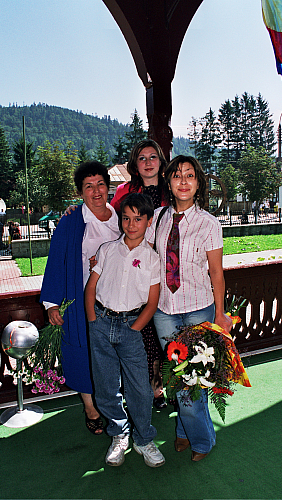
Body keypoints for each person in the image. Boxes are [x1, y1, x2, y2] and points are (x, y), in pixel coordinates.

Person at [146, 155, 232, 462]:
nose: (183, 181)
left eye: (190, 176)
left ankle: (202, 440)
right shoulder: (155, 218)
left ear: (198, 184)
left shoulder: (209, 224)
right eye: (177, 176)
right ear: (168, 182)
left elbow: (217, 273)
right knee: (176, 376)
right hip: (164, 311)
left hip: (198, 309)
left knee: (192, 378)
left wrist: (220, 314)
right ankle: (184, 432)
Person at [85, 193, 165, 468]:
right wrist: (93, 320)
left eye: (138, 219)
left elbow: (152, 301)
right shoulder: (107, 250)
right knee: (106, 386)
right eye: (126, 218)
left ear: (148, 221)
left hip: (131, 329)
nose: (131, 224)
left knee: (140, 388)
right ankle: (119, 434)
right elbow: (91, 287)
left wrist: (135, 328)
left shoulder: (153, 259)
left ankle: (144, 438)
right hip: (102, 324)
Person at [40, 161, 121, 435]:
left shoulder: (121, 216)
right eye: (89, 186)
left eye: (100, 184)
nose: (96, 191)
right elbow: (55, 262)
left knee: (113, 353)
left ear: (108, 187)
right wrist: (52, 303)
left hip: (117, 300)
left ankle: (114, 405)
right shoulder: (71, 221)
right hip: (81, 298)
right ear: (80, 192)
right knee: (82, 351)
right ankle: (90, 406)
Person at [110, 139, 168, 408]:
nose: (147, 162)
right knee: (141, 332)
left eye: (153, 157)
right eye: (142, 158)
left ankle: (162, 385)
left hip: (166, 269)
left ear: (161, 161)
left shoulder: (171, 189)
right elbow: (107, 220)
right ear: (135, 163)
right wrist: (76, 210)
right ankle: (144, 389)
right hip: (133, 269)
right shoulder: (124, 191)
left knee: (162, 332)